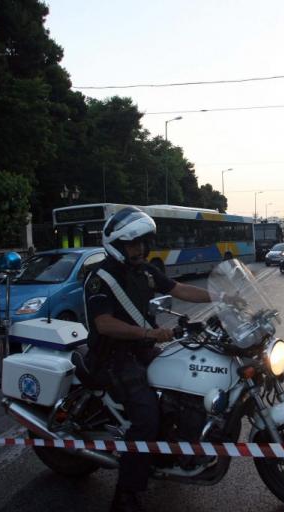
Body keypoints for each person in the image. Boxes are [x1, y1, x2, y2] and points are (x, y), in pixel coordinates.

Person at [83, 207, 219, 512]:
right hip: (112, 358)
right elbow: (103, 323)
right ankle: (125, 494)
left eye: (144, 243)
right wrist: (149, 334)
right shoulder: (100, 277)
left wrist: (219, 296)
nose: (141, 249)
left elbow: (179, 288)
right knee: (145, 417)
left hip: (142, 351)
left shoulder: (143, 271)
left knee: (184, 382)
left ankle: (171, 449)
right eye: (134, 244)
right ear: (117, 245)